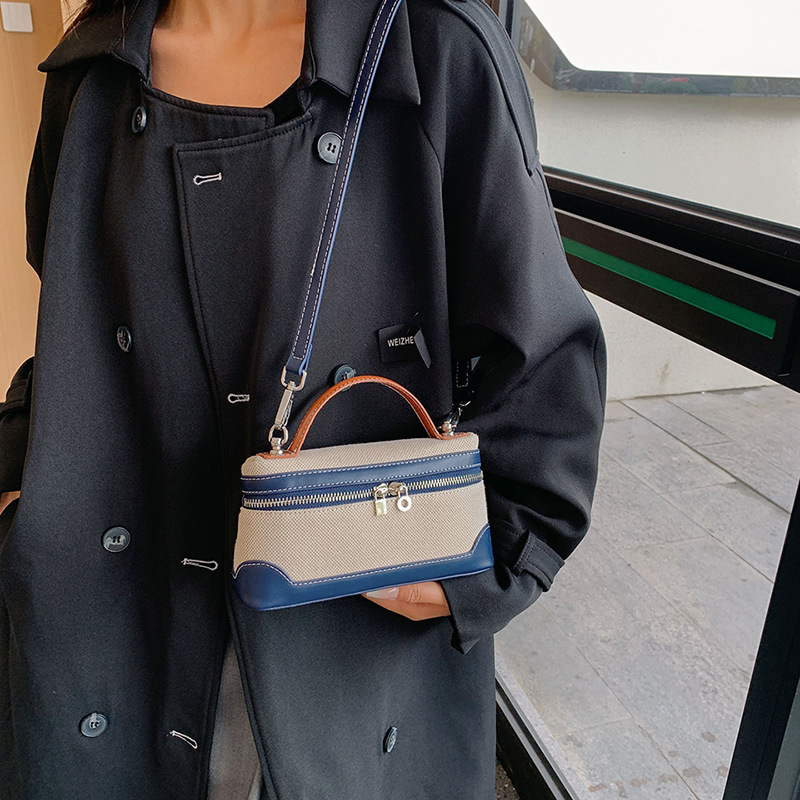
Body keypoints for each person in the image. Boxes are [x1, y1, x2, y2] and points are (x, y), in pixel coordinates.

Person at [0, 0, 607, 797]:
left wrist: (481, 570)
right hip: (107, 620)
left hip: (345, 634)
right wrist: (16, 477)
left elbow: (544, 368)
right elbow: (70, 325)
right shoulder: (91, 71)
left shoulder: (435, 48)